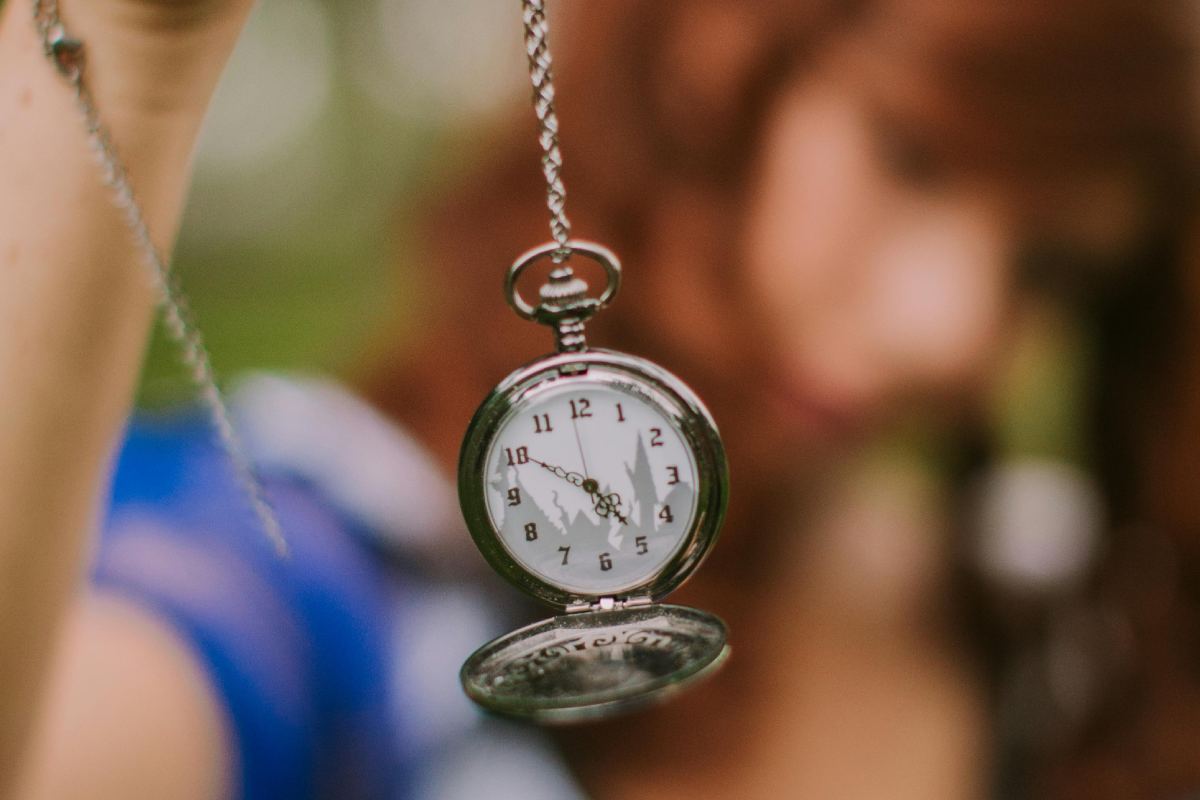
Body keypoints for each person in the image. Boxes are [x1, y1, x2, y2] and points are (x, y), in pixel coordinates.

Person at [2, 0, 1198, 798]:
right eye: (910, 155)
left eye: (1053, 267)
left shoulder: (1064, 621)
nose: (949, 322)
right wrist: (138, 75)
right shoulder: (311, 556)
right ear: (704, 63)